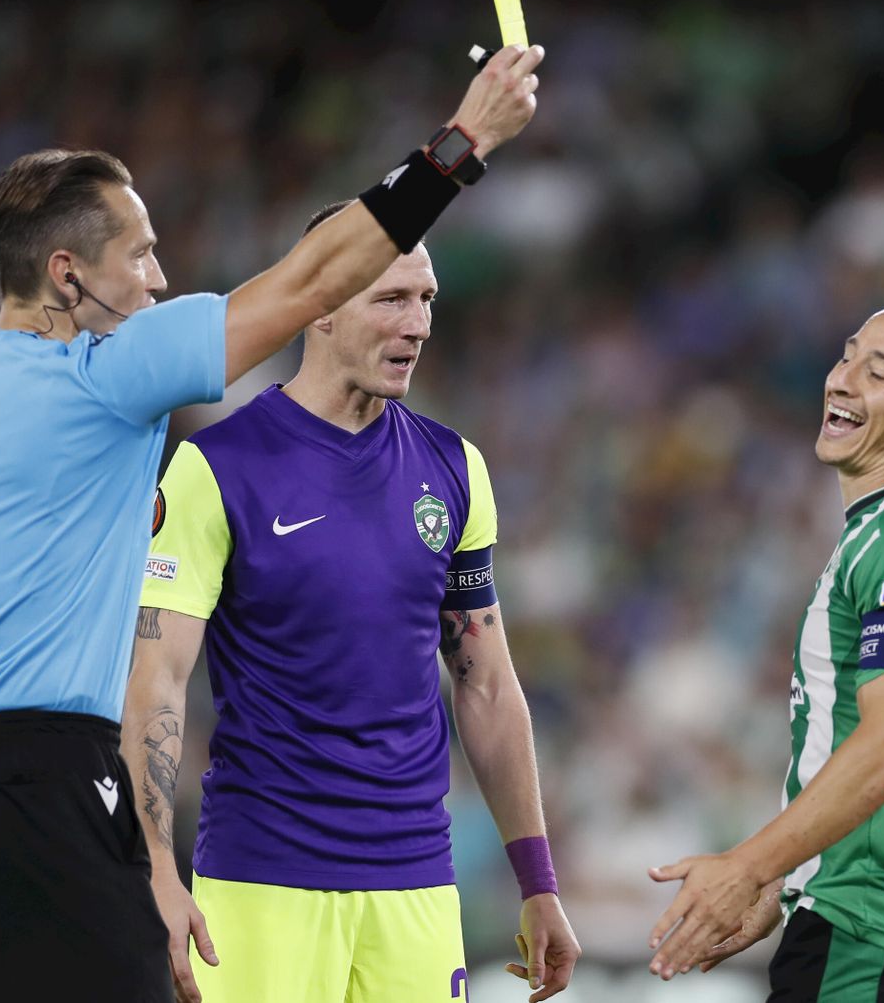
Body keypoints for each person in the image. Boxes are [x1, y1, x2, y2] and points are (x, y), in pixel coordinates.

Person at [0, 43, 545, 1003]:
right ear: (67, 276)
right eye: (140, 254)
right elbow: (312, 280)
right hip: (43, 789)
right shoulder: (107, 377)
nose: (157, 280)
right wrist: (463, 142)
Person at [125, 200, 581, 1003]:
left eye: (427, 300)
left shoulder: (454, 467)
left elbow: (486, 683)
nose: (419, 325)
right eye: (392, 299)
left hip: (416, 883)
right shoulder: (216, 466)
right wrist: (157, 866)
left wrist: (537, 878)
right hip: (263, 880)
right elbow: (155, 677)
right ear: (322, 303)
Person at [645, 285, 884, 1001]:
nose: (841, 379)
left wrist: (747, 866)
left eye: (880, 372)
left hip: (870, 930)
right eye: (848, 358)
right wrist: (785, 879)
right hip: (880, 918)